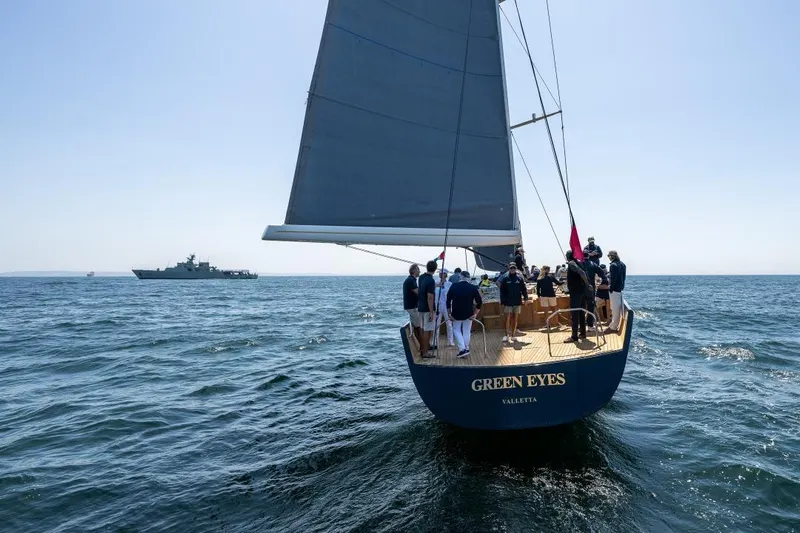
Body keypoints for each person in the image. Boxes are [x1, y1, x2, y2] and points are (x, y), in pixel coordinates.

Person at [446, 270, 482, 358]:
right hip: (469, 313)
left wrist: (449, 314)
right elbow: (479, 302)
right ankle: (466, 348)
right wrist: (475, 314)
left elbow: (448, 301)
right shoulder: (473, 287)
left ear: (460, 277)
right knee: (467, 331)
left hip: (456, 313)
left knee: (456, 330)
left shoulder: (453, 286)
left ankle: (462, 349)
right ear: (468, 278)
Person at [564, 250, 590, 343]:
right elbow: (584, 273)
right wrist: (587, 285)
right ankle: (582, 333)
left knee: (574, 314)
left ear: (568, 256)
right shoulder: (579, 263)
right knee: (581, 313)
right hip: (582, 292)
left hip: (576, 293)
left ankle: (574, 336)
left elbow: (582, 273)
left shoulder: (572, 263)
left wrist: (588, 284)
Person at [499, 262, 528, 342]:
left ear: (516, 269)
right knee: (507, 317)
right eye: (511, 268)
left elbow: (524, 289)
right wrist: (502, 301)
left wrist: (526, 298)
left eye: (514, 268)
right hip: (508, 302)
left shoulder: (519, 278)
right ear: (509, 269)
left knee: (515, 318)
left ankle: (513, 335)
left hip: (517, 301)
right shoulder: (505, 278)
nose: (512, 269)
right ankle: (506, 335)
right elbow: (502, 291)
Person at [417, 260, 438, 358]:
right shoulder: (431, 280)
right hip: (427, 309)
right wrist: (431, 312)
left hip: (420, 307)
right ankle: (425, 352)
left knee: (422, 329)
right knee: (427, 330)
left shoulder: (421, 277)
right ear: (435, 269)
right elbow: (430, 297)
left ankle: (423, 349)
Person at [604, 251, 627, 334]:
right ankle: (613, 325)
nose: (608, 257)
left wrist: (610, 288)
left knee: (615, 309)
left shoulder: (613, 265)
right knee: (616, 309)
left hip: (614, 290)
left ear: (611, 256)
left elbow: (613, 279)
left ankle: (613, 327)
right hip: (620, 289)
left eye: (608, 256)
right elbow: (623, 278)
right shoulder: (623, 264)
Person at [434, 271, 454, 347]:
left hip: (447, 306)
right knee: (437, 324)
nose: (441, 275)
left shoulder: (449, 284)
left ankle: (450, 341)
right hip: (438, 306)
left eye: (443, 273)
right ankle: (435, 342)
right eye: (440, 273)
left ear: (446, 275)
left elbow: (451, 295)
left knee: (449, 324)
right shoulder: (436, 283)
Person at [403, 264, 422, 341]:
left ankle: (421, 345)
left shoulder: (411, 280)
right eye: (418, 269)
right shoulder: (411, 280)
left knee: (416, 325)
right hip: (413, 307)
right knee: (419, 326)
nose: (420, 271)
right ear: (414, 270)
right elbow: (418, 292)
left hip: (411, 306)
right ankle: (424, 347)